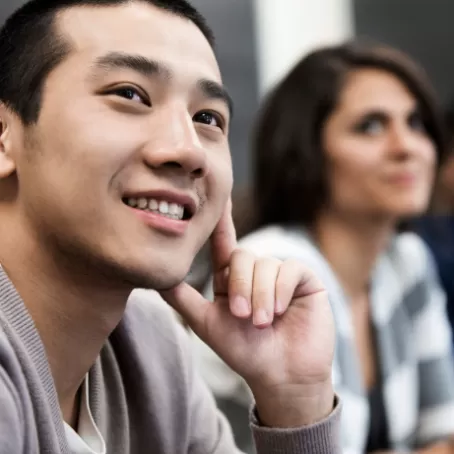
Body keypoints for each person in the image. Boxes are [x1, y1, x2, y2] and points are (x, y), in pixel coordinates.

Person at [0, 1, 341, 453]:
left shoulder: (151, 339)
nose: (189, 150)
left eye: (208, 119)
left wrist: (296, 400)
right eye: (130, 94)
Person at [193, 41, 454, 454]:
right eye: (370, 126)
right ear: (306, 152)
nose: (407, 147)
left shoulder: (407, 261)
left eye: (416, 123)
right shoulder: (273, 269)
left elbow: (442, 433)